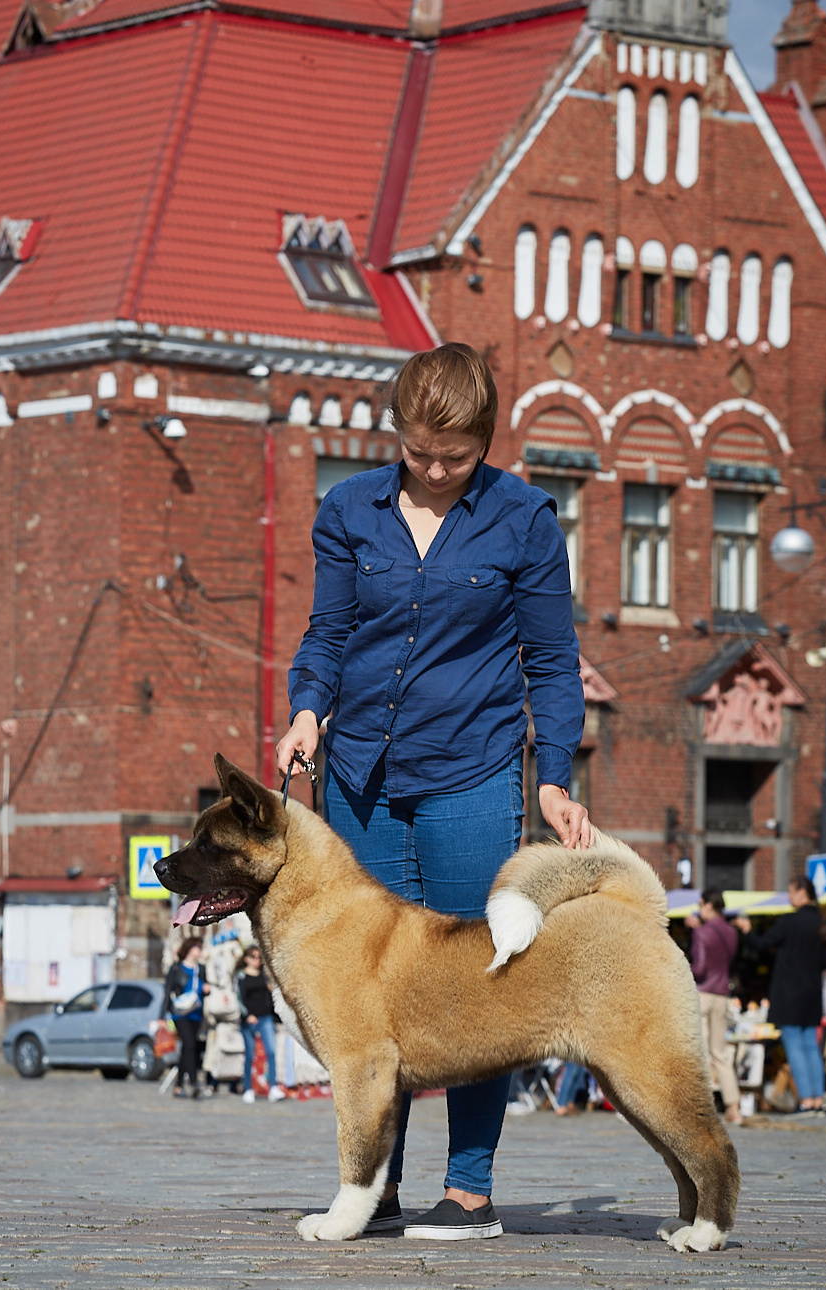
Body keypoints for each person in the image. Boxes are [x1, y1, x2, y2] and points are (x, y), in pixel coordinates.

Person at [277, 342, 589, 1241]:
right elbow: (328, 631)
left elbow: (552, 663)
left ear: (485, 441)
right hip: (362, 780)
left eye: (455, 455)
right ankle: (372, 1187)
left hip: (473, 776)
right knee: (372, 991)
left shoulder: (525, 519)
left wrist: (555, 776)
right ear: (398, 434)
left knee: (476, 984)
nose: (437, 468)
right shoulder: (348, 510)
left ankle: (471, 1188)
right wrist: (308, 710)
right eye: (420, 451)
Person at [736, 876, 826, 1116]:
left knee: (794, 1047)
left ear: (802, 893)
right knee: (811, 1046)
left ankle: (805, 1102)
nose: (789, 897)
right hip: (812, 994)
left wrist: (747, 930)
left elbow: (761, 945)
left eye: (791, 892)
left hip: (790, 994)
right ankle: (816, 1100)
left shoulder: (789, 922)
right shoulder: (823, 923)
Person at [684, 889, 742, 1125]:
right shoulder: (731, 932)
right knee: (720, 1054)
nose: (699, 909)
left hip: (703, 994)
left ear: (709, 906)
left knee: (699, 1052)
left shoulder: (701, 932)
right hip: (722, 995)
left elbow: (699, 968)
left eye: (700, 905)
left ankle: (700, 1110)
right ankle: (733, 1108)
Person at [236, 945, 286, 1103]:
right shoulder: (241, 977)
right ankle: (248, 1089)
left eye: (259, 957)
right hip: (249, 1020)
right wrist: (247, 1015)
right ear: (246, 959)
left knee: (271, 1052)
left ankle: (273, 1087)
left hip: (265, 1018)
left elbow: (271, 998)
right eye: (253, 957)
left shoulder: (265, 976)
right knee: (250, 1054)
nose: (256, 960)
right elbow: (238, 998)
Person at [163, 938, 208, 1099]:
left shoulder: (201, 969)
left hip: (196, 1012)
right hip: (180, 1013)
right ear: (189, 949)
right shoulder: (176, 968)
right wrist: (161, 1017)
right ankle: (194, 1083)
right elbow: (168, 990)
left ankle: (179, 1085)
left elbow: (205, 986)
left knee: (188, 1048)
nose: (200, 950)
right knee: (190, 1045)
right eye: (197, 947)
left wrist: (206, 989)